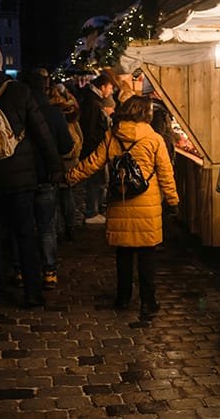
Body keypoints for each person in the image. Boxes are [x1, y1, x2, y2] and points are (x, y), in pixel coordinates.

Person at [66, 95, 179, 317]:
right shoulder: (154, 139)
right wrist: (173, 201)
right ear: (145, 114)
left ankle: (123, 298)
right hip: (147, 206)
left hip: (121, 201)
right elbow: (166, 174)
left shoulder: (112, 136)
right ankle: (148, 302)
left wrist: (70, 176)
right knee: (147, 256)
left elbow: (92, 163)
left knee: (124, 254)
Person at [0, 42, 63, 308]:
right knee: (25, 234)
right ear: (0, 63)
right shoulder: (20, 91)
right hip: (21, 178)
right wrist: (54, 167)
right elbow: (42, 133)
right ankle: (32, 293)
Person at [12, 68, 73, 290]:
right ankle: (49, 271)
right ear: (46, 87)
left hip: (22, 176)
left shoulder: (14, 110)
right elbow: (67, 145)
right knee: (47, 226)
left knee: (21, 225)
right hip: (47, 175)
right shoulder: (53, 113)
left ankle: (20, 270)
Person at [48, 79, 84, 242]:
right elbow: (77, 141)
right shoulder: (71, 111)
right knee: (65, 195)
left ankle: (57, 230)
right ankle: (69, 228)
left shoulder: (50, 111)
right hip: (68, 160)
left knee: (55, 198)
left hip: (57, 160)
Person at [78, 73, 114, 224]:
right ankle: (92, 212)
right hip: (93, 148)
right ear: (103, 87)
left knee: (97, 180)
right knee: (95, 180)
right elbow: (92, 129)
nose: (111, 91)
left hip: (91, 146)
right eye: (110, 88)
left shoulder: (91, 99)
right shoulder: (94, 103)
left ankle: (93, 210)